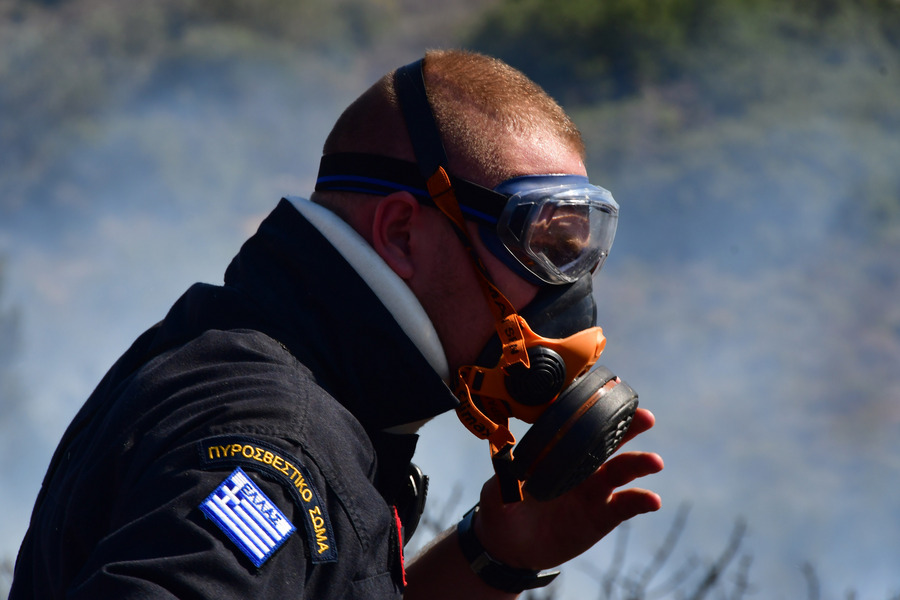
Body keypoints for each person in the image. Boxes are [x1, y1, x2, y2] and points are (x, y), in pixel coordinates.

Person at [9, 49, 663, 599]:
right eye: (541, 242)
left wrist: (491, 559)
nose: (566, 288)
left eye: (578, 249)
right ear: (403, 233)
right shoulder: (274, 445)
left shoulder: (259, 360)